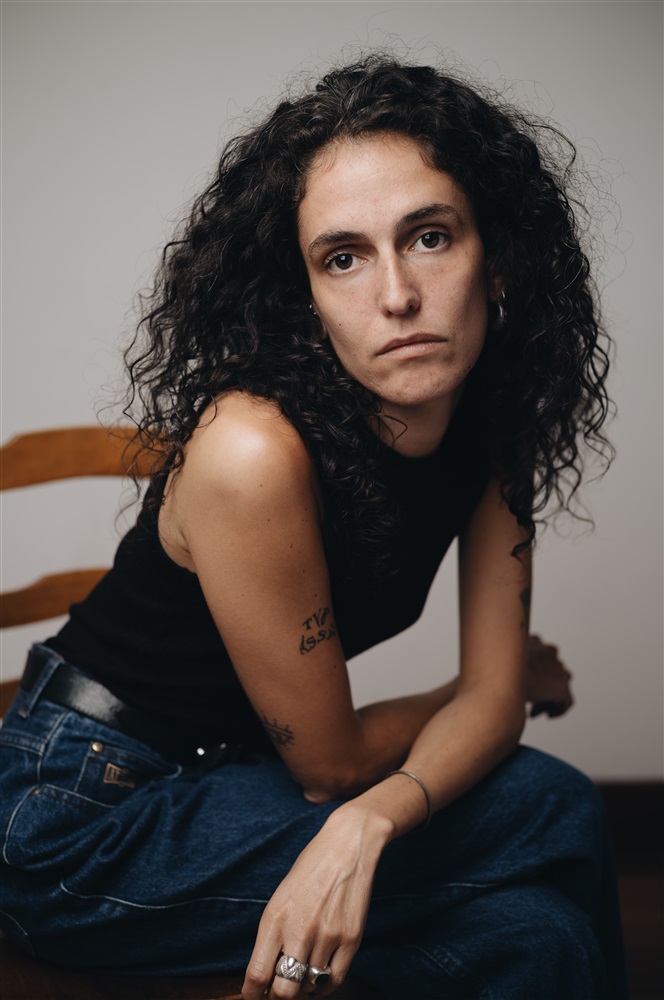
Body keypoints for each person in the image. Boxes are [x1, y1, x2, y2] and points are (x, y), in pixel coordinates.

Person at [0, 56, 627, 999]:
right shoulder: (251, 448)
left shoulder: (494, 427)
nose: (397, 295)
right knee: (553, 802)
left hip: (241, 789)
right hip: (79, 820)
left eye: (429, 237)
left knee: (539, 938)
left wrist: (369, 823)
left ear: (497, 257)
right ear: (307, 298)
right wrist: (470, 694)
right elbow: (338, 762)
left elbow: (494, 705)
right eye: (344, 257)